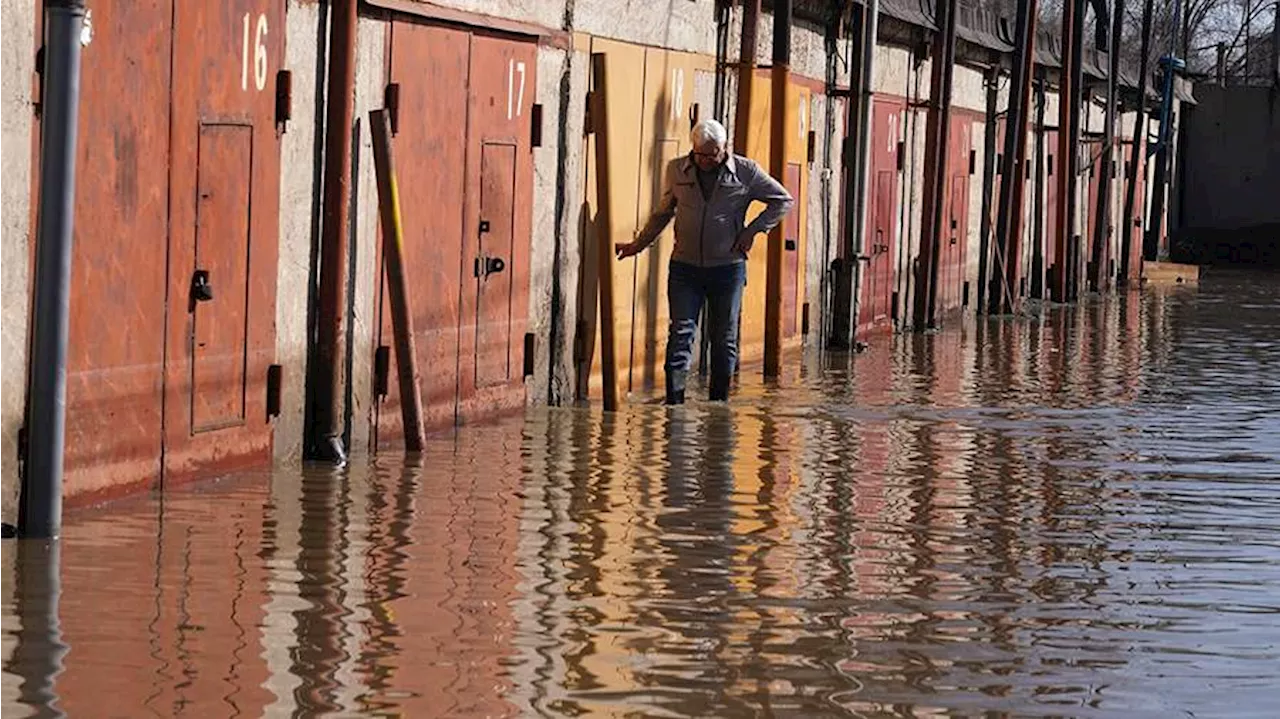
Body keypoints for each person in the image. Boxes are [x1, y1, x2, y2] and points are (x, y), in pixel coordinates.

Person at [615, 118, 794, 405]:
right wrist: (638, 245)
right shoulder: (676, 170)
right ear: (693, 149)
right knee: (681, 331)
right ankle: (675, 401)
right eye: (700, 155)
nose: (706, 161)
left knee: (723, 337)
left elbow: (782, 200)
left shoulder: (746, 172)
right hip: (685, 268)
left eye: (712, 155)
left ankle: (718, 405)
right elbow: (663, 213)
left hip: (728, 268)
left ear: (725, 148)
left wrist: (752, 231)